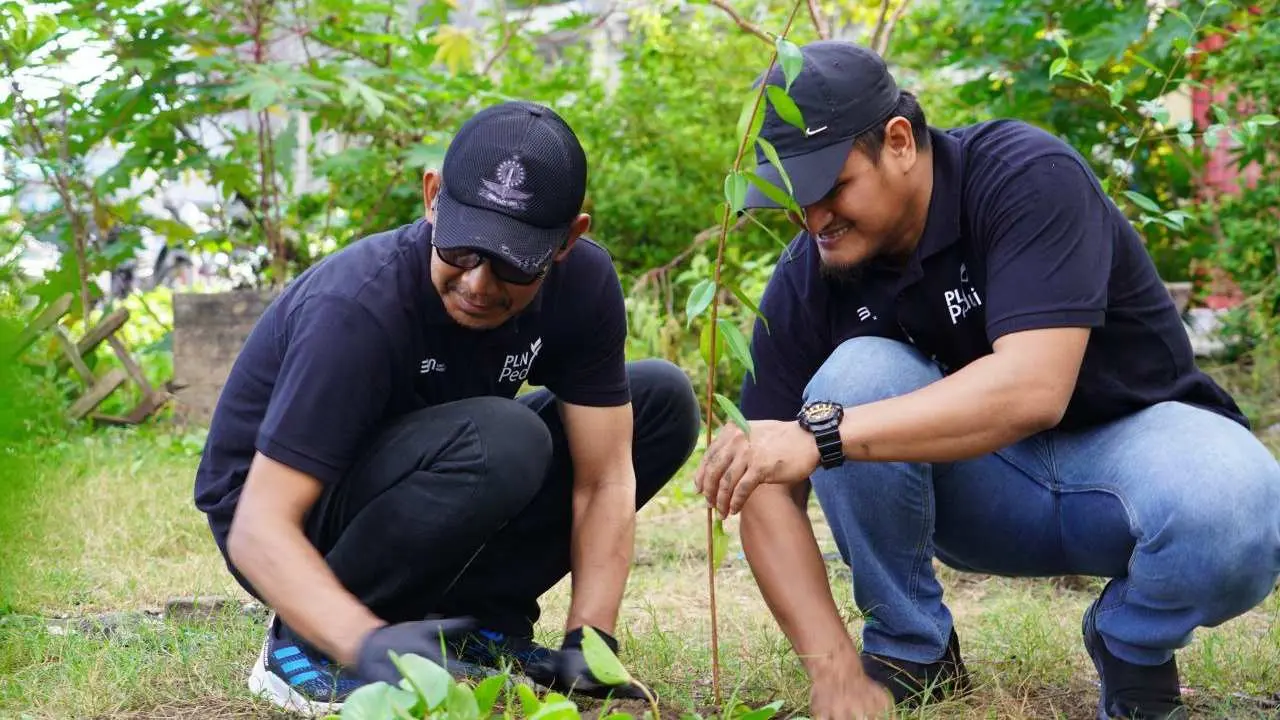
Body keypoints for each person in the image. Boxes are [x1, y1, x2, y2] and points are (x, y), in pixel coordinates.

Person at [694, 40, 1280, 720]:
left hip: (1132, 457)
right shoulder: (813, 269)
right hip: (981, 496)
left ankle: (1131, 644)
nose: (814, 217)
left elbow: (1033, 389)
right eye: (795, 199)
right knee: (853, 374)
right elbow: (761, 476)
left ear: (900, 141)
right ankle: (909, 652)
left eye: (831, 188)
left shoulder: (1023, 174)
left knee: (1240, 505)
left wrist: (823, 437)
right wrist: (830, 669)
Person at [193, 101, 702, 714]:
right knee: (504, 439)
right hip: (287, 517)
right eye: (464, 249)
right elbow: (256, 527)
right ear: (433, 197)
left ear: (569, 239)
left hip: (427, 472)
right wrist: (364, 643)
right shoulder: (358, 307)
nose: (480, 283)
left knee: (660, 400)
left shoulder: (584, 286)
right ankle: (305, 646)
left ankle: (471, 623)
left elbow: (604, 476)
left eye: (514, 260)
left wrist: (589, 640)